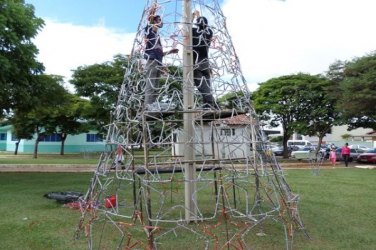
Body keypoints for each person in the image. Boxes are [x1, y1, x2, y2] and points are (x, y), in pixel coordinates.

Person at [144, 15, 178, 111]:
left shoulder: (157, 36)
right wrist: (153, 11)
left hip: (158, 63)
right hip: (151, 61)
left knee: (156, 86)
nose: (161, 22)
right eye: (159, 20)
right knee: (150, 85)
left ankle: (153, 105)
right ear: (154, 21)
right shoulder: (149, 31)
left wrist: (170, 51)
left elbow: (160, 53)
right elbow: (149, 19)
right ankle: (148, 106)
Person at [192, 12, 218, 109]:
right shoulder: (209, 32)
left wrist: (194, 17)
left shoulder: (194, 31)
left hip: (196, 61)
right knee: (207, 84)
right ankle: (207, 105)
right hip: (206, 62)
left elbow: (188, 26)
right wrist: (199, 17)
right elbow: (203, 25)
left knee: (200, 83)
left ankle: (212, 103)